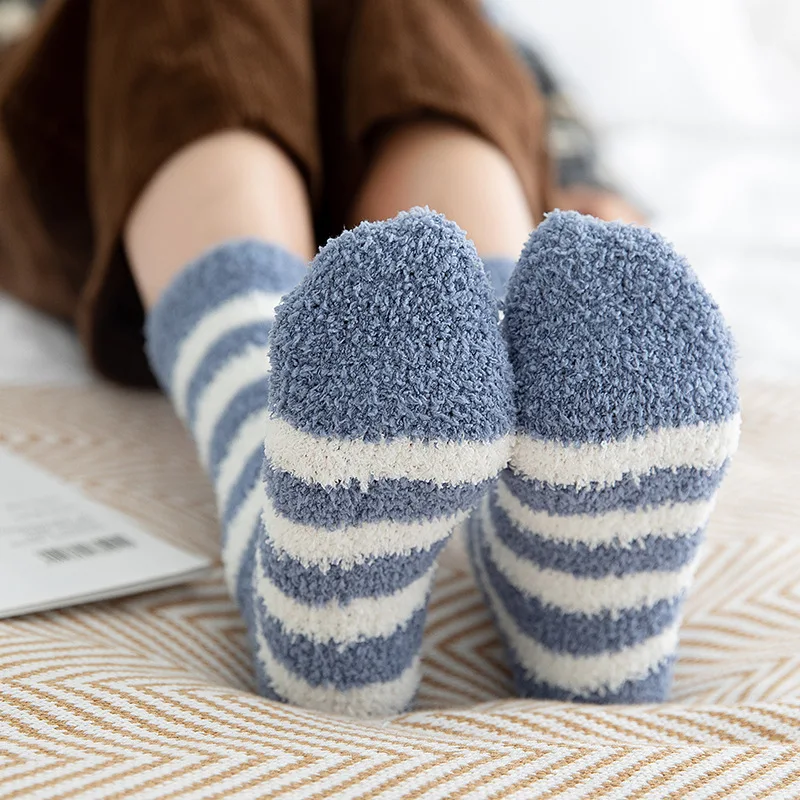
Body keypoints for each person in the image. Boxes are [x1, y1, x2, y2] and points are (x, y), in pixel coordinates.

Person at [0, 0, 738, 718]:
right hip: (106, 159)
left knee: (418, 17)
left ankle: (373, 550)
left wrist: (592, 185)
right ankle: (289, 481)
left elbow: (518, 78)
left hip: (371, 201)